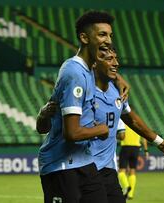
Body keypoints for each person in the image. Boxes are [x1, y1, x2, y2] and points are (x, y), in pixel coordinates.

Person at [38, 48, 164, 203]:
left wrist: (159, 141)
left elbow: (131, 119)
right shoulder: (80, 87)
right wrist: (43, 115)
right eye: (109, 59)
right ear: (93, 63)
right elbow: (47, 127)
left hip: (107, 169)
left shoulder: (117, 92)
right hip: (81, 168)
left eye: (116, 59)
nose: (116, 63)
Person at [37, 10, 133, 203]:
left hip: (84, 162)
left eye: (110, 35)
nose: (108, 40)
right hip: (61, 165)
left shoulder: (87, 70)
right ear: (84, 37)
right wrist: (101, 129)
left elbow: (102, 69)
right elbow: (71, 133)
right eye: (102, 34)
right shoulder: (74, 73)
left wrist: (118, 79)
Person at [117, 120, 149, 200]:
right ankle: (130, 194)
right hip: (136, 148)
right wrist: (146, 150)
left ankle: (127, 186)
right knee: (133, 170)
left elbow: (120, 136)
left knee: (121, 171)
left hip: (126, 147)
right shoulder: (138, 124)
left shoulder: (122, 123)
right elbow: (144, 138)